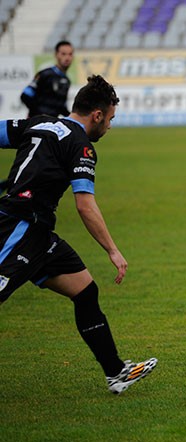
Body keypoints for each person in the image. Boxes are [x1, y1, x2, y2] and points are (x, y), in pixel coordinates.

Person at [0, 75, 156, 394]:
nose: (110, 126)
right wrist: (113, 250)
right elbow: (85, 206)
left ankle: (115, 372)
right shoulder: (80, 145)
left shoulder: (39, 123)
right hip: (19, 227)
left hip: (40, 233)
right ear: (96, 115)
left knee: (85, 291)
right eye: (110, 118)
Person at [21, 40, 74, 118]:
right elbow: (25, 96)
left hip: (52, 124)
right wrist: (39, 115)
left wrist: (73, 118)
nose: (67, 58)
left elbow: (61, 107)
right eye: (63, 54)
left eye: (70, 54)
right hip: (36, 122)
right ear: (56, 55)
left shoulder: (67, 81)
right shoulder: (45, 74)